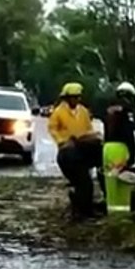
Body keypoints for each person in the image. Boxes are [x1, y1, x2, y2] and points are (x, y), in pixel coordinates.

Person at [48, 82, 102, 219]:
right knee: (82, 181)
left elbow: (88, 128)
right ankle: (81, 210)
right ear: (67, 98)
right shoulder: (58, 112)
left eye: (78, 97)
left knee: (86, 182)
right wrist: (62, 141)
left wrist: (93, 137)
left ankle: (83, 208)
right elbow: (53, 129)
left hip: (83, 148)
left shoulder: (83, 111)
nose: (77, 100)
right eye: (74, 97)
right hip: (69, 151)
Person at [102, 82, 135, 213]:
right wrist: (132, 156)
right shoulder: (126, 110)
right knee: (123, 186)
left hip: (107, 149)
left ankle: (111, 212)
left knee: (111, 184)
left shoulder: (109, 109)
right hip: (120, 149)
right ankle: (122, 216)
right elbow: (128, 133)